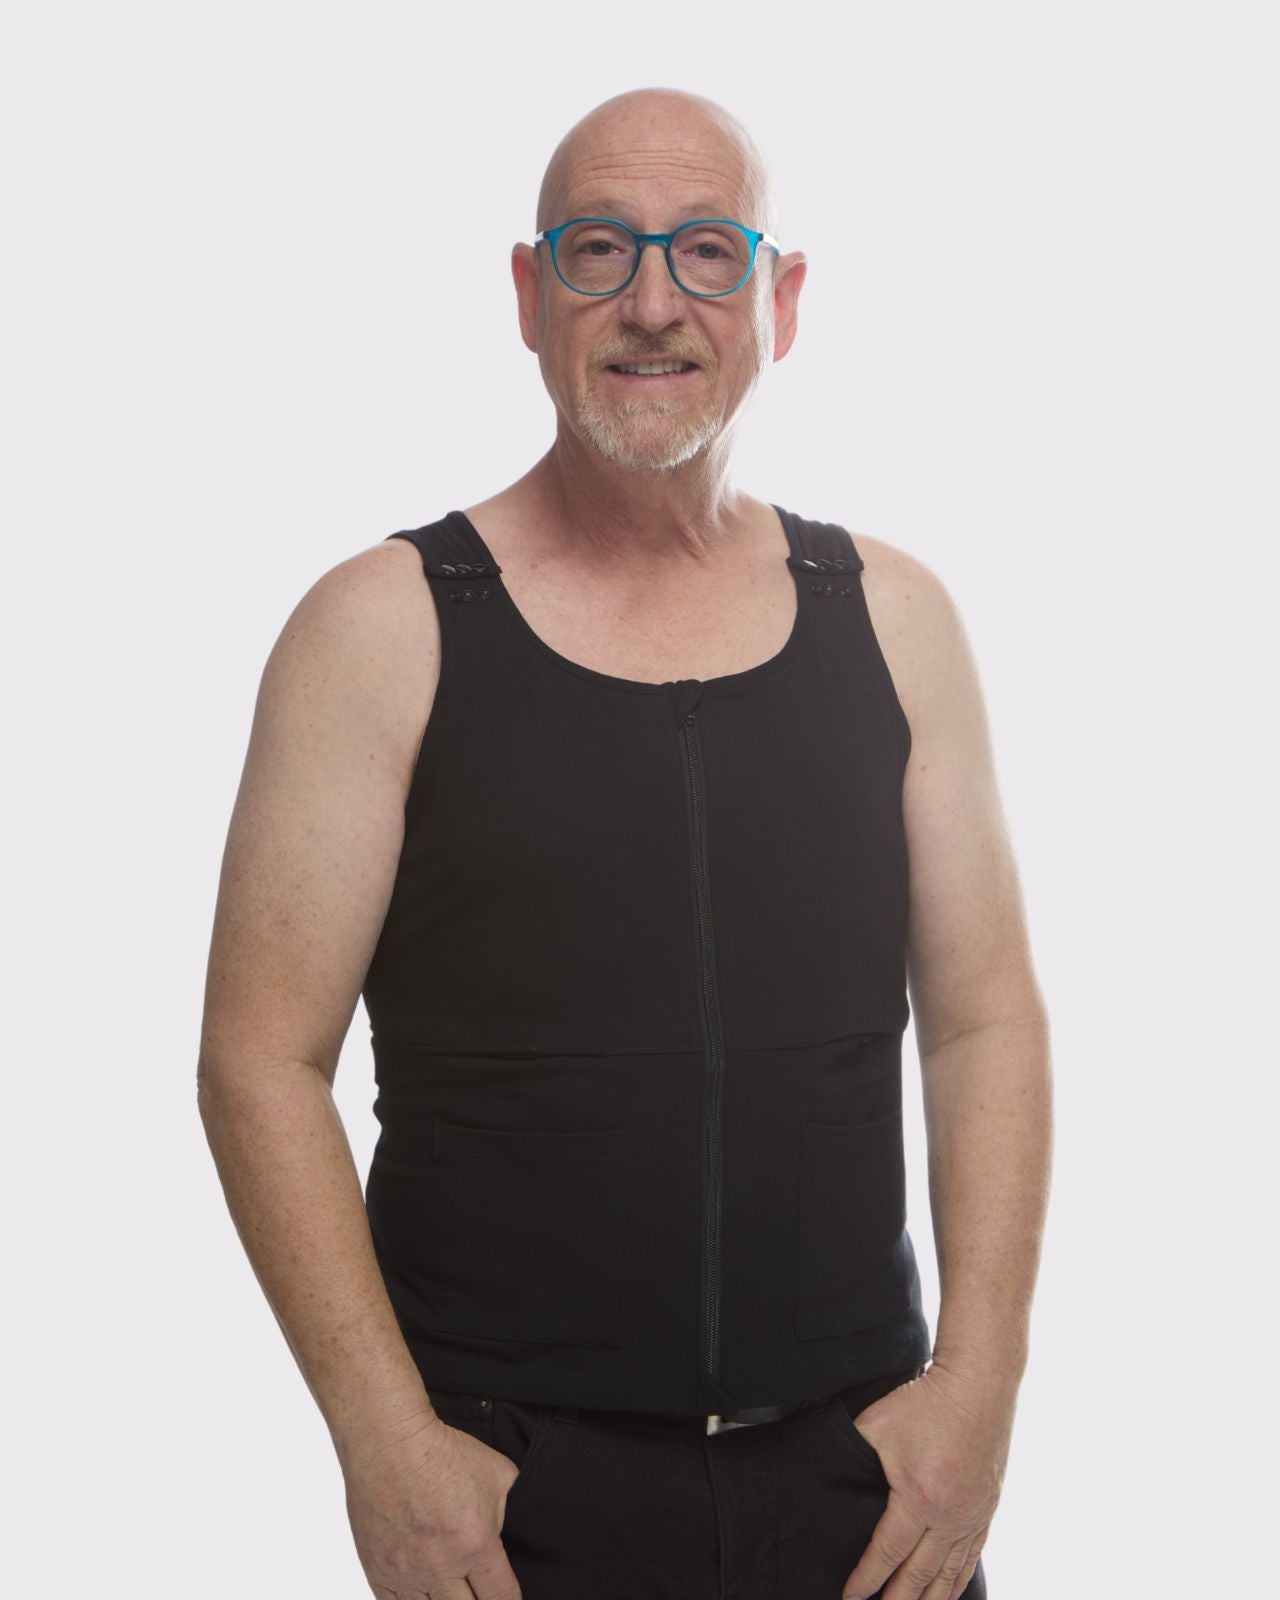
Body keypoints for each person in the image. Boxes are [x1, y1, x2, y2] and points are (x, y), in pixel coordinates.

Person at [197, 84, 1051, 1600]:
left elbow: (984, 1019)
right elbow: (259, 1059)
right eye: (601, 249)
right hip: (508, 1502)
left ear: (782, 301)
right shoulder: (379, 630)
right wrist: (385, 1443)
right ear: (531, 297)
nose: (654, 303)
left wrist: (977, 1394)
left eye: (707, 250)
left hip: (862, 1492)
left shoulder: (895, 618)